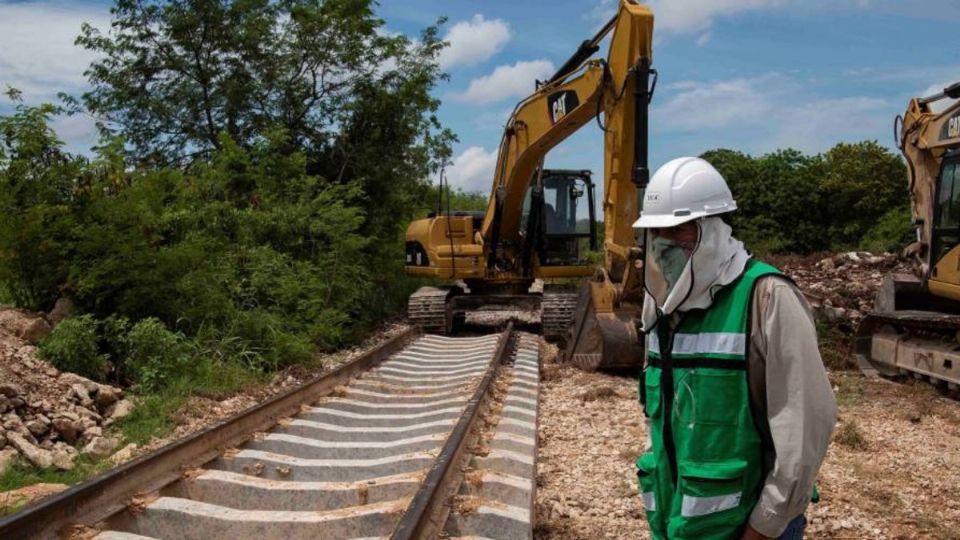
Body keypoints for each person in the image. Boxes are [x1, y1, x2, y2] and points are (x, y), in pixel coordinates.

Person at [632, 157, 837, 540]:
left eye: (677, 231)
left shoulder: (767, 298)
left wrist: (764, 526)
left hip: (752, 530)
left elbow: (804, 432)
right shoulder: (660, 309)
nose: (663, 244)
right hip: (682, 525)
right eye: (656, 232)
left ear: (709, 230)